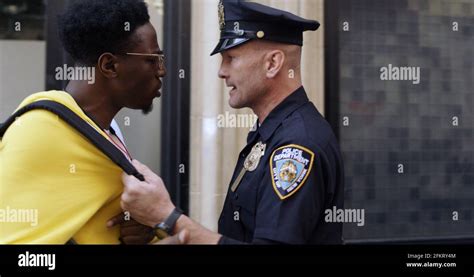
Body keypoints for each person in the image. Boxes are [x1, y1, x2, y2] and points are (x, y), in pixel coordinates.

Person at [115, 0, 344, 244]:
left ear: (272, 63)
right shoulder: (273, 132)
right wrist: (161, 227)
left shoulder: (297, 145)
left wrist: (167, 216)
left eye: (231, 57)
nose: (221, 71)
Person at [0, 0, 164, 244]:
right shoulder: (41, 131)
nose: (161, 71)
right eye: (152, 60)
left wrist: (144, 226)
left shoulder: (103, 130)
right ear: (109, 65)